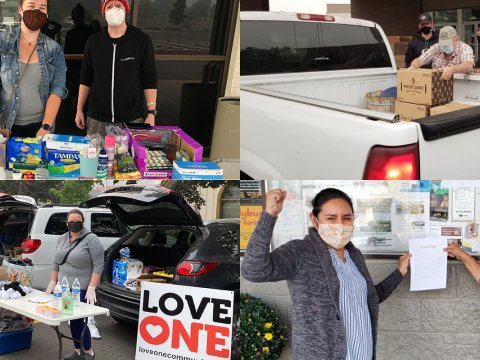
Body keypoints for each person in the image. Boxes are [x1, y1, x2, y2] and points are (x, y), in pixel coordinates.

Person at [242, 188, 411, 360]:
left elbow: (369, 298)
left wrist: (399, 272)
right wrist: (269, 215)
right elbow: (253, 270)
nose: (340, 225)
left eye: (347, 218)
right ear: (314, 220)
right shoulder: (300, 252)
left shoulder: (355, 256)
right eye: (331, 218)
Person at [75, 0, 157, 136]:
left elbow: (149, 79)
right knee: (95, 156)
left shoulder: (141, 40)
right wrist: (79, 109)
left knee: (129, 157)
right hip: (97, 118)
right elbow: (86, 78)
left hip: (131, 119)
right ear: (104, 11)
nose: (114, 9)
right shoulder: (94, 41)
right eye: (109, 6)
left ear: (125, 10)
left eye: (118, 6)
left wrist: (151, 112)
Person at [0, 0, 67, 137]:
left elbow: (57, 89)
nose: (37, 11)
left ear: (47, 13)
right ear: (20, 10)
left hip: (40, 127)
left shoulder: (54, 49)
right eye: (31, 6)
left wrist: (46, 127)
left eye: (42, 8)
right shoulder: (3, 42)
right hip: (5, 126)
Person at [45, 209, 104, 360]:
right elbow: (56, 262)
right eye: (71, 221)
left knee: (79, 319)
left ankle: (89, 351)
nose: (74, 224)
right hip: (64, 289)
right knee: (71, 319)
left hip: (82, 288)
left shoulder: (91, 239)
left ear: (82, 222)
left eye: (77, 221)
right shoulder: (62, 239)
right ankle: (78, 350)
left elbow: (98, 265)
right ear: (67, 223)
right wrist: (52, 282)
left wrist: (92, 287)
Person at [409, 26, 474, 80]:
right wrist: (414, 66)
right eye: (442, 44)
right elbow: (420, 60)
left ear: (456, 40)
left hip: (459, 87)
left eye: (446, 44)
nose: (444, 47)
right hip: (438, 87)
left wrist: (453, 69)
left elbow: (468, 65)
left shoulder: (465, 48)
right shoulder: (436, 47)